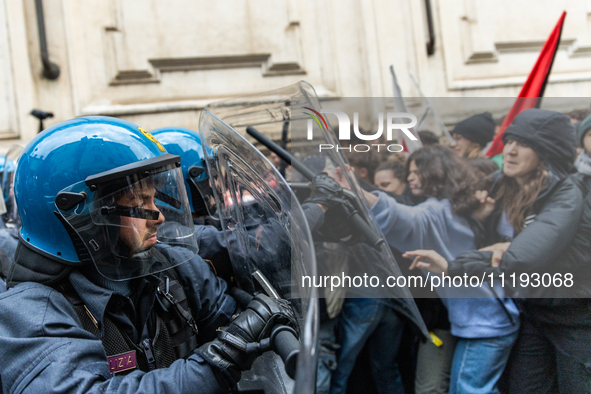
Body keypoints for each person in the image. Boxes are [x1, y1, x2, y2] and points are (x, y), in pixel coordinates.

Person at [0, 117, 297, 393]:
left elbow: (230, 320)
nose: (158, 216)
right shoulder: (27, 316)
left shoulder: (174, 271)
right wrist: (219, 361)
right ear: (85, 217)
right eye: (140, 201)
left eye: (154, 198)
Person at [405, 108, 590, 393]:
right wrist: (481, 218)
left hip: (576, 319)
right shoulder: (502, 186)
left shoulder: (568, 192)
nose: (511, 151)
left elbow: (523, 255)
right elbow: (449, 210)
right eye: (510, 142)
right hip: (533, 314)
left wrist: (453, 267)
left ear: (547, 152)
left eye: (524, 144)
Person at [360, 145, 519, 394]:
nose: (410, 176)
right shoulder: (459, 208)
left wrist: (355, 191)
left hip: (485, 321)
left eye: (417, 170)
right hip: (481, 318)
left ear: (435, 171)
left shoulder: (444, 210)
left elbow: (401, 217)